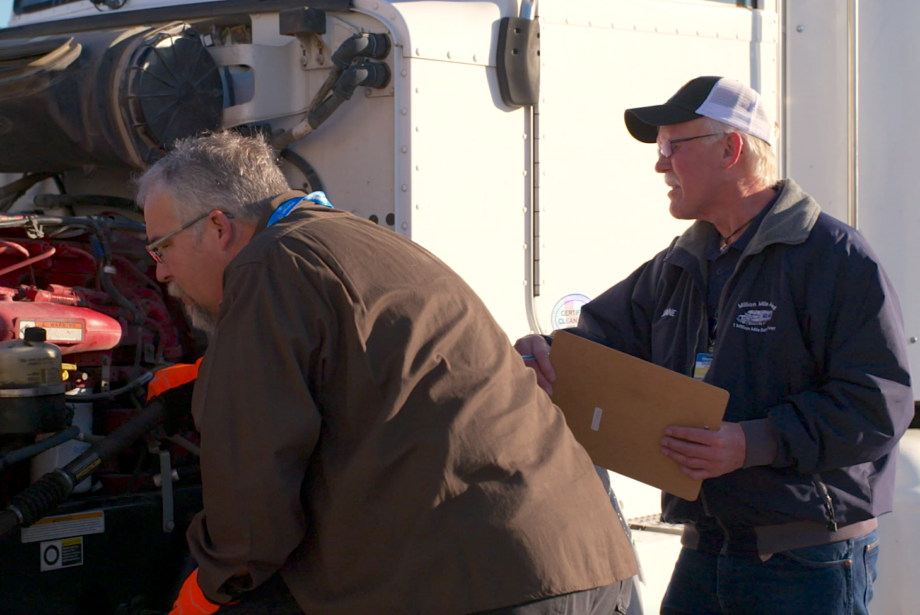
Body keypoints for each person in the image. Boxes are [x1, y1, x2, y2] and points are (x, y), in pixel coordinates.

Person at [136, 131, 638, 615]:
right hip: (581, 563)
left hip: (482, 584)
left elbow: (252, 503)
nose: (160, 271)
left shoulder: (266, 265)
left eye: (163, 248)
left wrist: (212, 588)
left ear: (220, 227)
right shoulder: (349, 237)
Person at [515, 76, 913, 615]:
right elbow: (597, 346)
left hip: (805, 562)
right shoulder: (679, 263)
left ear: (731, 149)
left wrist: (752, 442)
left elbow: (879, 404)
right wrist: (542, 356)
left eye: (671, 147)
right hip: (706, 551)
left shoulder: (833, 256)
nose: (659, 166)